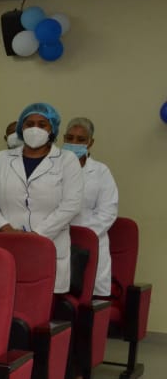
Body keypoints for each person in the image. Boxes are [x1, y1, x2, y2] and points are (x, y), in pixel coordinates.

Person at [0, 103, 83, 293]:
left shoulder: (67, 160)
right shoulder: (1, 159)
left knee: (42, 303)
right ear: (21, 128)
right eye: (29, 124)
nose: (35, 129)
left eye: (42, 124)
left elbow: (71, 205)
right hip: (7, 243)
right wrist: (5, 229)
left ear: (52, 129)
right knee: (4, 299)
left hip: (49, 246)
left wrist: (37, 235)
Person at [65, 117, 118, 296]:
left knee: (88, 298)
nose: (74, 143)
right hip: (57, 240)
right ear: (63, 138)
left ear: (90, 142)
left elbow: (108, 212)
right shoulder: (51, 167)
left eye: (80, 139)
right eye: (70, 138)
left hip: (90, 243)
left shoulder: (101, 172)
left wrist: (81, 235)